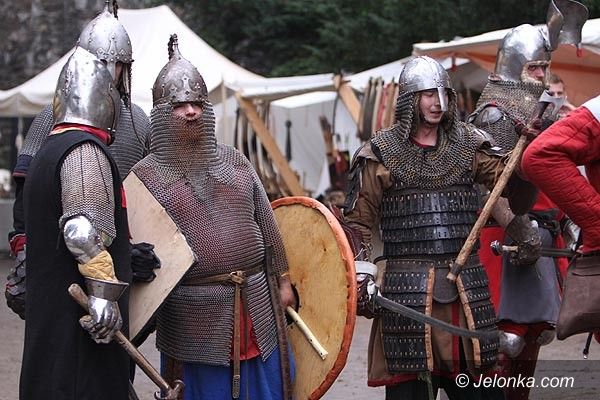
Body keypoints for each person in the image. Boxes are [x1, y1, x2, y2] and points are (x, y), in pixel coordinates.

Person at [342, 55, 538, 400]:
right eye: (428, 94)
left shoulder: (469, 144)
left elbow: (510, 186)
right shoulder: (379, 154)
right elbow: (357, 223)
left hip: (465, 292)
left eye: (443, 93)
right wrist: (361, 276)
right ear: (409, 99)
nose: (438, 102)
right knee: (410, 393)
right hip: (406, 293)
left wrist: (529, 159)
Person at [130, 34, 295, 400]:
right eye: (179, 105)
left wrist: (284, 281)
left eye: (197, 104)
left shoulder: (235, 161)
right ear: (161, 114)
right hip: (194, 316)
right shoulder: (145, 177)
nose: (191, 111)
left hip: (255, 302)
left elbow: (268, 227)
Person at [467, 4, 588, 397]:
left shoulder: (540, 112)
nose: (541, 76)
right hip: (499, 241)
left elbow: (555, 176)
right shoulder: (493, 116)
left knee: (534, 334)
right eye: (534, 68)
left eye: (544, 68)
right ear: (514, 66)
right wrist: (515, 224)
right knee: (503, 339)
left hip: (539, 238)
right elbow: (482, 186)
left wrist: (571, 222)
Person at [5, 1, 152, 320]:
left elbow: (144, 197)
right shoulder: (53, 118)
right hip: (63, 254)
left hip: (114, 259)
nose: (107, 70)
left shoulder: (138, 122)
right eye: (98, 61)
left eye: (115, 63)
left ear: (126, 68)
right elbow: (27, 195)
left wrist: (138, 247)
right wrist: (26, 251)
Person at [20, 46, 131, 400]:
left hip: (51, 323)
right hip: (79, 333)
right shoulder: (84, 150)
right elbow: (81, 231)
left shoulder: (48, 150)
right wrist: (103, 297)